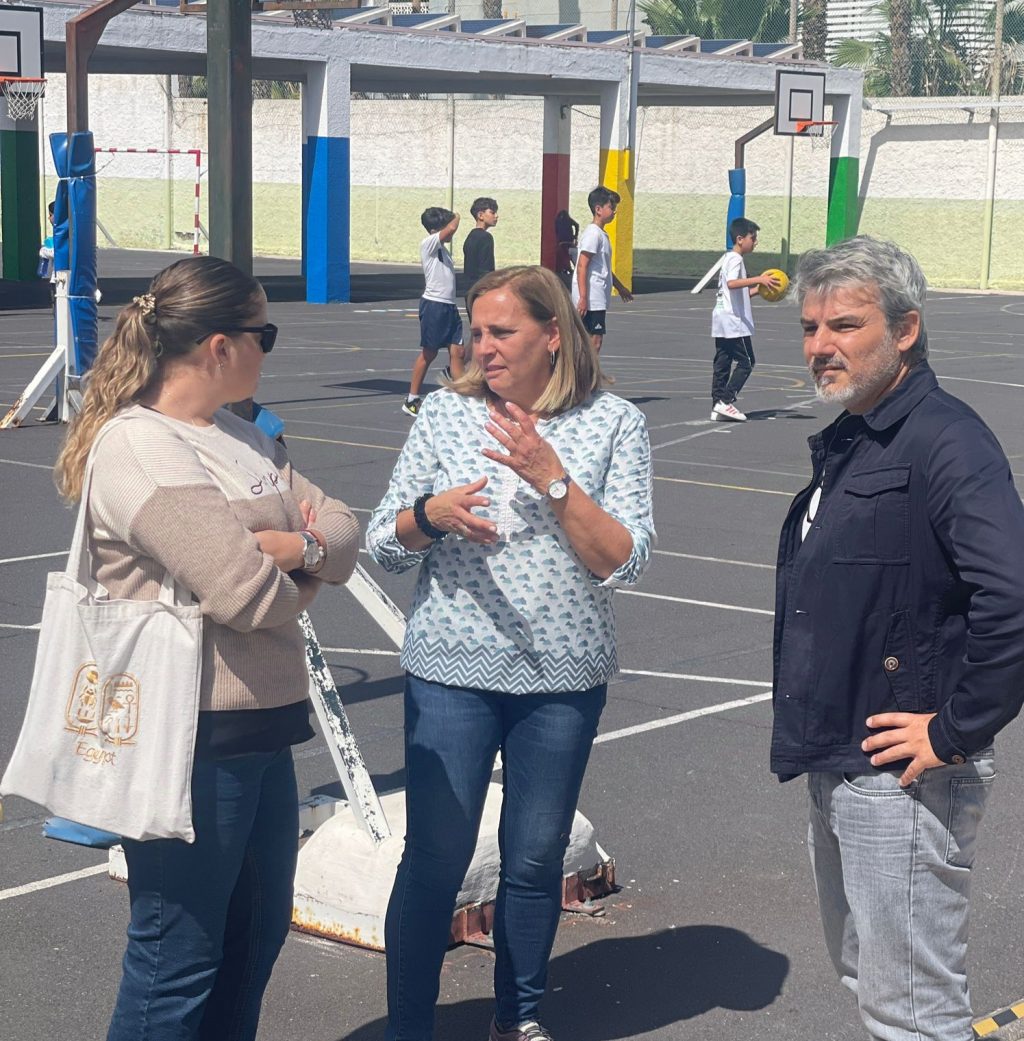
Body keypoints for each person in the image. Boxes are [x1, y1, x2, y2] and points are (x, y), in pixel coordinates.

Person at [53, 255, 361, 1041]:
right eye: (266, 332)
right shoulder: (140, 447)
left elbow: (345, 529)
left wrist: (286, 547)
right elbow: (244, 594)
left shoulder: (238, 436)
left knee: (253, 942)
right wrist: (297, 553)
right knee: (177, 959)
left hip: (263, 730)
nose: (270, 345)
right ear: (220, 346)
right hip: (187, 742)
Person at [368, 265, 655, 1041]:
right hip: (451, 670)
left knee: (533, 858)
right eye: (477, 330)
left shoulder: (614, 423)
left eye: (502, 332)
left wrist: (553, 481)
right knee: (436, 858)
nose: (481, 346)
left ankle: (517, 1018)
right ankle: (409, 1026)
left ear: (552, 335)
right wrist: (429, 515)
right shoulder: (444, 414)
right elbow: (380, 542)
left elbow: (623, 560)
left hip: (562, 677)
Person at [772, 236, 1024, 1041]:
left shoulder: (946, 440)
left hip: (904, 777)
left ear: (906, 328)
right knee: (870, 977)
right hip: (842, 760)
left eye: (843, 324)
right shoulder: (857, 435)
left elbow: (1014, 592)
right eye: (810, 327)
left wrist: (953, 730)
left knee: (912, 1009)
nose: (820, 346)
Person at [709, 217, 780, 423]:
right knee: (747, 362)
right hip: (733, 321)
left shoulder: (728, 259)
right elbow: (732, 284)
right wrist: (759, 278)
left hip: (722, 317)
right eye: (753, 237)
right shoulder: (736, 259)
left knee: (723, 361)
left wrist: (758, 290)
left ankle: (717, 404)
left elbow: (737, 292)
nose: (755, 241)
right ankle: (726, 400)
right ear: (740, 239)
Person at [403, 207, 463, 418]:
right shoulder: (428, 243)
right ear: (435, 228)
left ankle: (461, 397)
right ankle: (412, 398)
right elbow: (451, 228)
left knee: (457, 351)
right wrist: (456, 216)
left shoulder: (443, 250)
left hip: (449, 305)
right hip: (434, 305)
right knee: (430, 353)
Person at [571, 186, 633, 352]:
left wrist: (620, 287)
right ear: (598, 209)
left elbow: (602, 266)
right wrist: (583, 297)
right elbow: (582, 266)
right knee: (594, 341)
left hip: (597, 298)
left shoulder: (600, 234)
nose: (614, 212)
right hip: (591, 298)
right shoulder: (593, 234)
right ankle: (585, 374)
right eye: (611, 208)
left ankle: (585, 373)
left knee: (592, 341)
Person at [462, 196, 499, 305]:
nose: (496, 216)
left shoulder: (470, 236)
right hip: (481, 292)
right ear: (480, 215)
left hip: (469, 290)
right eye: (492, 212)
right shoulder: (485, 237)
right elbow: (486, 269)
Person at [553, 208, 579, 292]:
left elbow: (556, 231)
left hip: (564, 242)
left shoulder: (558, 221)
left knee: (565, 256)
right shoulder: (567, 220)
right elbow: (576, 225)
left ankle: (569, 269)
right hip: (568, 241)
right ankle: (570, 269)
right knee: (570, 257)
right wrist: (575, 236)